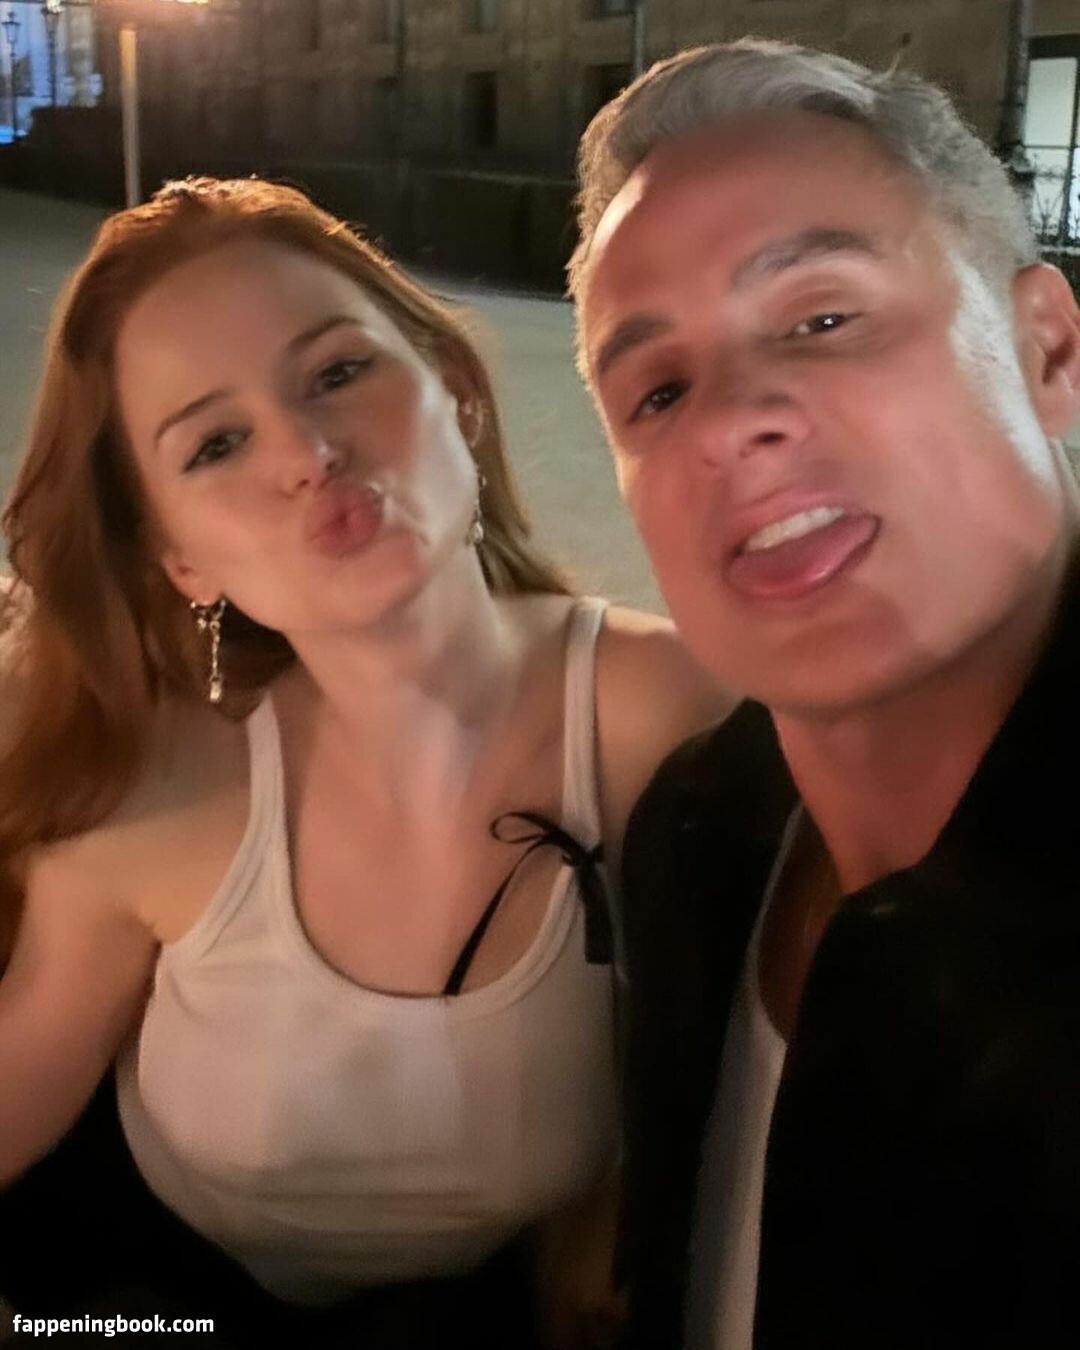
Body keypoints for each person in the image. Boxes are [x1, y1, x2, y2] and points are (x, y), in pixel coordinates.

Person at [0, 177, 723, 1349]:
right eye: (217, 443)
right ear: (183, 562)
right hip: (144, 1293)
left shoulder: (666, 715)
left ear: (456, 392)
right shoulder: (158, 789)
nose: (306, 452)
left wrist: (609, 1216)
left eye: (338, 372)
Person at [569, 38, 1080, 1350]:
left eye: (821, 319)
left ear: (1047, 348)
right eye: (656, 390)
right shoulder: (696, 828)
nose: (726, 420)